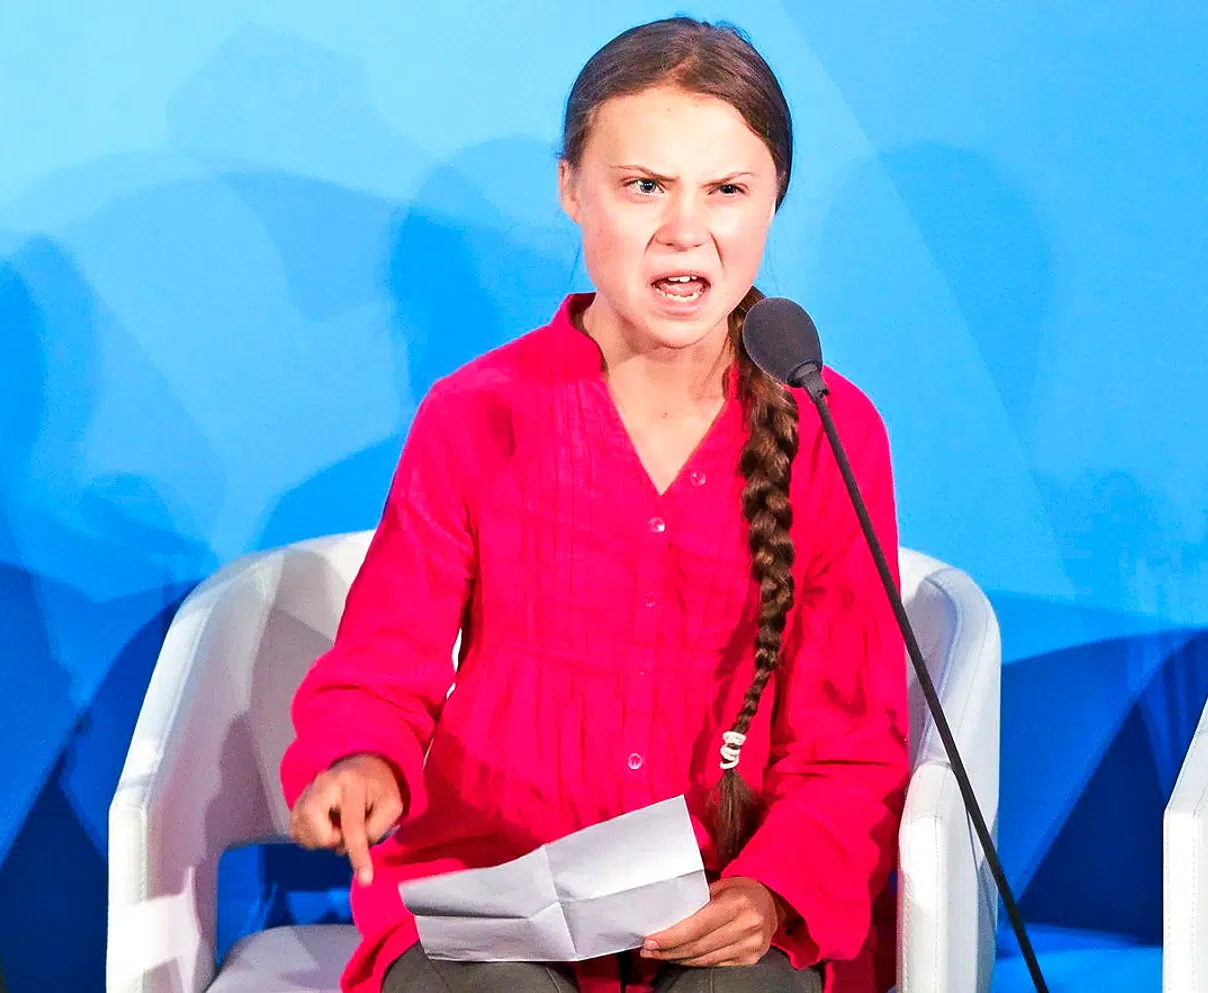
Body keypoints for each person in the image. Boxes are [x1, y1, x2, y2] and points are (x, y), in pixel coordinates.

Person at [282, 16, 909, 993]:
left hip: (724, 899)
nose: (685, 230)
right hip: (496, 890)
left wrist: (772, 891)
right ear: (572, 188)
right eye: (644, 186)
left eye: (727, 190)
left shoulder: (831, 427)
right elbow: (382, 668)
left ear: (775, 198)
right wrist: (362, 763)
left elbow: (852, 742)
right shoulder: (476, 412)